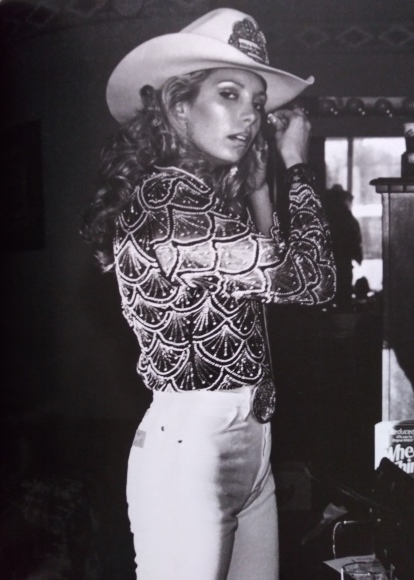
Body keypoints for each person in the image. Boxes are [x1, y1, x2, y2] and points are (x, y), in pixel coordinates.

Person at [82, 8, 336, 580]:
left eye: (257, 103)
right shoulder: (166, 198)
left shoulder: (202, 198)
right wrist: (297, 163)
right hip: (193, 448)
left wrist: (260, 188)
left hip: (250, 441)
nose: (249, 115)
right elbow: (311, 281)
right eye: (228, 94)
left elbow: (265, 283)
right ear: (179, 105)